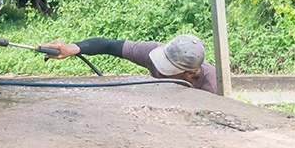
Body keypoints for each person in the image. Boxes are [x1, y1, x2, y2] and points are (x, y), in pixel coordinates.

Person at [40, 34, 218, 94]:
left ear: (190, 73)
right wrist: (73, 48)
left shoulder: (211, 87)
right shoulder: (153, 53)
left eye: (168, 70)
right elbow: (109, 45)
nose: (160, 71)